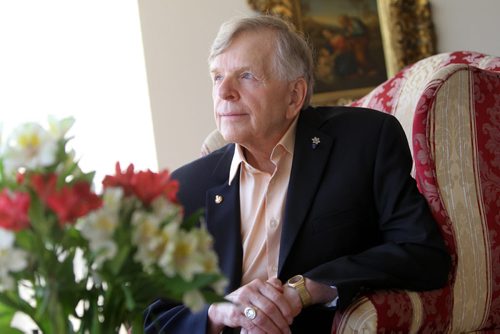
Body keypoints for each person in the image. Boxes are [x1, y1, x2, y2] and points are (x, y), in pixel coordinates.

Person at [144, 14, 451, 334]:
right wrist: (217, 312)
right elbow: (152, 317)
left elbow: (422, 253)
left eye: (246, 75)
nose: (224, 92)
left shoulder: (365, 141)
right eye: (217, 76)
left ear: (294, 95)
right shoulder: (187, 186)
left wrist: (308, 289)